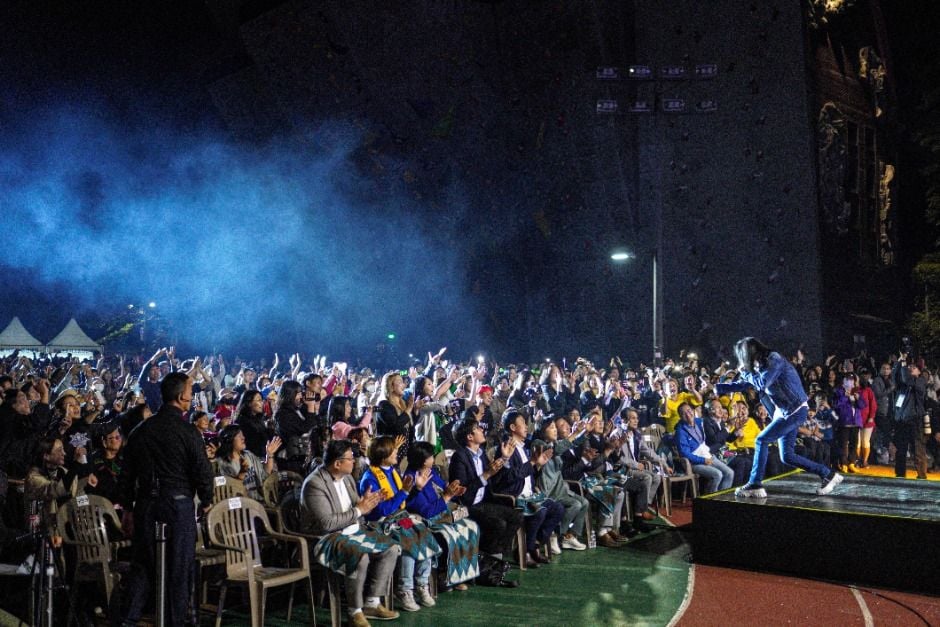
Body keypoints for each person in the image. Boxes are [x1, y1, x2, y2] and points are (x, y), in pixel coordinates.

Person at [119, 372, 214, 626]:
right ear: (181, 396)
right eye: (190, 391)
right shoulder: (188, 432)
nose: (192, 396)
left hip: (146, 506)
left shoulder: (140, 431)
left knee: (142, 566)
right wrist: (207, 501)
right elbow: (202, 470)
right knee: (179, 570)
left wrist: (127, 509)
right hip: (177, 506)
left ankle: (128, 621)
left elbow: (126, 475)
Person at [715, 337, 843, 497]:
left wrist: (745, 372)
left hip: (794, 410)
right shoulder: (762, 365)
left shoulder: (774, 359)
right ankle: (828, 474)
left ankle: (754, 484)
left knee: (761, 440)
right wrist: (720, 388)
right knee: (787, 456)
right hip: (784, 412)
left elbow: (762, 383)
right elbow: (748, 384)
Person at [300, 440, 400, 626]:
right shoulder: (314, 484)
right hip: (328, 537)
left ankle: (372, 602)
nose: (354, 461)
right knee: (360, 556)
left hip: (353, 530)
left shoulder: (347, 478)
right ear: (338, 463)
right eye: (350, 458)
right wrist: (360, 509)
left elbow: (357, 506)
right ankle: (354, 610)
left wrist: (369, 501)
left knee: (391, 548)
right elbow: (327, 524)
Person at [359, 436, 440, 612]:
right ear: (383, 456)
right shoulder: (370, 478)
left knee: (422, 533)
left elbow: (403, 501)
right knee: (408, 541)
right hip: (380, 524)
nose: (397, 453)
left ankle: (421, 583)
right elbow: (382, 510)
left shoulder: (392, 470)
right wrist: (404, 491)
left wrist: (414, 489)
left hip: (399, 518)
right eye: (393, 451)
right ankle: (404, 589)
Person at [448, 417, 523, 586]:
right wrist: (486, 475)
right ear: (469, 436)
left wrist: (504, 459)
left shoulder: (481, 454)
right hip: (467, 506)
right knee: (497, 524)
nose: (482, 430)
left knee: (516, 517)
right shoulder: (459, 458)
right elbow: (463, 493)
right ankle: (491, 571)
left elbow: (494, 480)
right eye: (478, 428)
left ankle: (494, 563)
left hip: (484, 502)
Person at [403, 442, 479, 589]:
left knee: (470, 526)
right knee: (456, 531)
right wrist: (447, 496)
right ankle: (445, 576)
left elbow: (444, 488)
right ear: (423, 460)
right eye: (431, 456)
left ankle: (459, 575)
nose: (434, 458)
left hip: (440, 510)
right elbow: (426, 511)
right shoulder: (411, 478)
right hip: (425, 518)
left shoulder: (430, 471)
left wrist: (454, 490)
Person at [674, 403, 734, 494]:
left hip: (708, 456)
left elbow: (712, 421)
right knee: (717, 475)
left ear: (693, 411)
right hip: (695, 463)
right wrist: (703, 460)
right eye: (683, 413)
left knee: (729, 473)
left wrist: (729, 423)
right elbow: (685, 453)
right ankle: (710, 499)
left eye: (689, 411)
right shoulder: (680, 431)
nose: (688, 414)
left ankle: (721, 497)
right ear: (680, 417)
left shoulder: (699, 422)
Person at [212, 425, 282, 500]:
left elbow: (265, 473)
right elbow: (227, 490)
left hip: (257, 500)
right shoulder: (221, 463)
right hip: (240, 503)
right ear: (229, 439)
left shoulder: (248, 455)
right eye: (239, 436)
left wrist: (269, 454)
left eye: (242, 435)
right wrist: (242, 473)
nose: (243, 438)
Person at [892, 356, 928, 479]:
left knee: (918, 448)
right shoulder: (904, 384)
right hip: (902, 420)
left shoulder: (921, 381)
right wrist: (899, 362)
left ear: (919, 371)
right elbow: (895, 377)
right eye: (910, 367)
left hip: (915, 420)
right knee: (901, 449)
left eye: (914, 367)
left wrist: (903, 366)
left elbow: (908, 380)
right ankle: (900, 474)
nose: (911, 369)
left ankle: (922, 475)